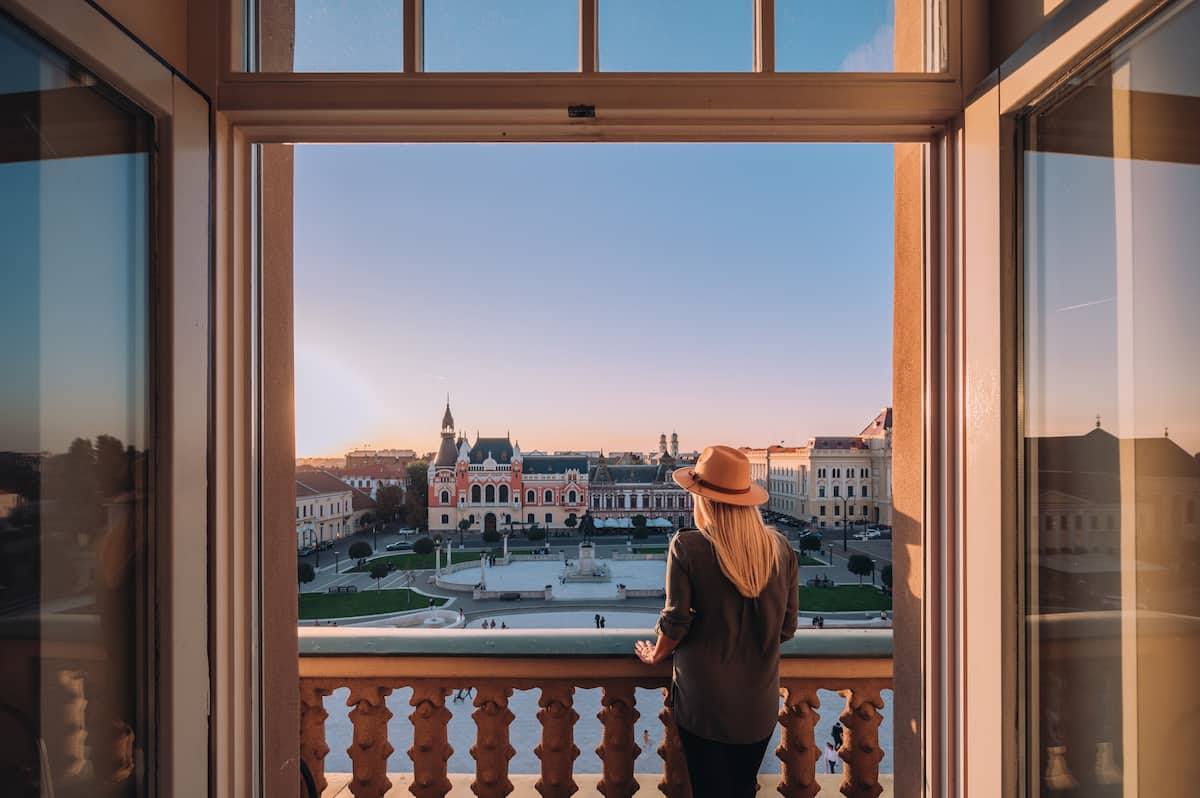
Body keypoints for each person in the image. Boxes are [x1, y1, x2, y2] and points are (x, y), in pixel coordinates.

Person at [634, 446, 799, 798]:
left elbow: (676, 622)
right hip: (759, 702)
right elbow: (786, 628)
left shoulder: (688, 546)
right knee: (743, 788)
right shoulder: (780, 548)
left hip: (704, 703)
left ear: (702, 500)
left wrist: (656, 654)